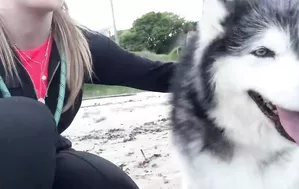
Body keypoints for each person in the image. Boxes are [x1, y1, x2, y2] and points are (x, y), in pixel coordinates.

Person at [0, 0, 175, 189]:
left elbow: (159, 75)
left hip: (38, 167)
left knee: (102, 181)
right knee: (22, 120)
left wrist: (210, 58)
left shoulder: (77, 45)